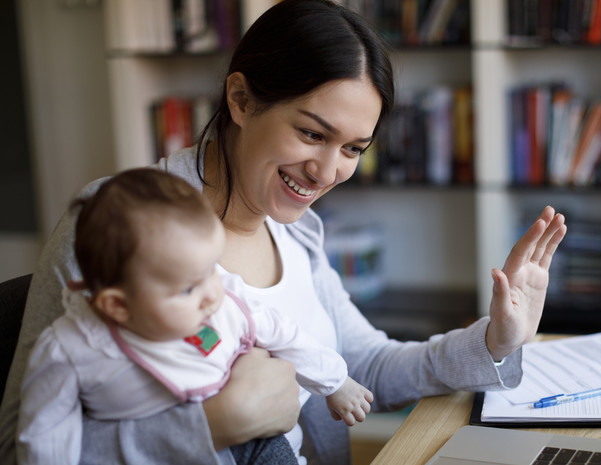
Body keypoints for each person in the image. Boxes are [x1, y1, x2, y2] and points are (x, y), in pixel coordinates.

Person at [0, 0, 567, 464]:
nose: (328, 172)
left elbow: (363, 366)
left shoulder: (300, 234)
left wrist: (496, 340)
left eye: (352, 149)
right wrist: (216, 425)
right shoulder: (111, 221)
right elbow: (18, 445)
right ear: (241, 99)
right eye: (311, 134)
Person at [16, 168, 374, 464]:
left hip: (253, 445)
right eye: (188, 288)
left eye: (211, 270)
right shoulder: (71, 348)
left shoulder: (220, 297)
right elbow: (44, 438)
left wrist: (335, 382)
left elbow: (285, 334)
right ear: (117, 306)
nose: (212, 294)